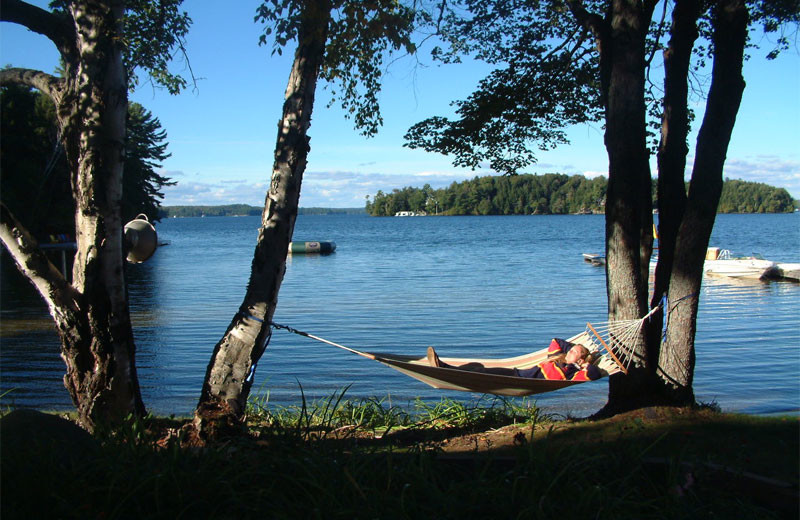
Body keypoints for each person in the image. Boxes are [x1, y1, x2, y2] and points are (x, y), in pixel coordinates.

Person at [426, 338, 601, 381]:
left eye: (575, 351)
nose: (570, 351)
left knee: (480, 372)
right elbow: (556, 341)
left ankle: (443, 367)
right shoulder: (556, 358)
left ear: (581, 359)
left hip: (520, 380)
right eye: (571, 349)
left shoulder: (572, 374)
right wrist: (572, 348)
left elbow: (594, 373)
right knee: (478, 369)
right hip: (515, 373)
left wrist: (585, 364)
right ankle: (444, 366)